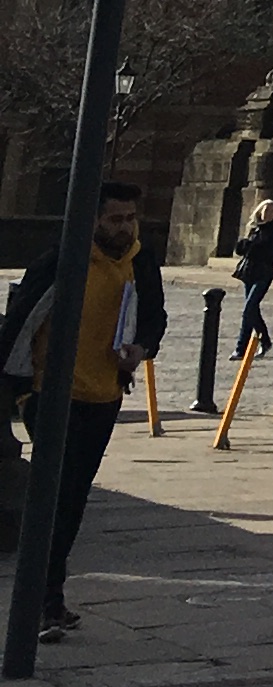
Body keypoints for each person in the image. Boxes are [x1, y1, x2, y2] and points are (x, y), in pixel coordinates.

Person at [0, 178, 168, 634]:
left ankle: (48, 598)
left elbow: (154, 316)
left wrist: (140, 348)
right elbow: (19, 323)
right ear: (91, 219)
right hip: (50, 396)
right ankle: (40, 603)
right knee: (53, 495)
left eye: (131, 219)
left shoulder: (140, 261)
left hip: (103, 396)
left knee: (71, 500)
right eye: (115, 219)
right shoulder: (62, 261)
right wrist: (19, 391)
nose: (125, 228)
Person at [233, 198, 273, 357]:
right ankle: (265, 341)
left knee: (249, 308)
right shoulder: (254, 228)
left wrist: (251, 247)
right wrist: (246, 246)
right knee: (252, 310)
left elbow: (269, 252)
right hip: (250, 272)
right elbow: (243, 249)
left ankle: (241, 348)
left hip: (264, 273)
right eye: (266, 210)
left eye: (272, 210)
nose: (268, 213)